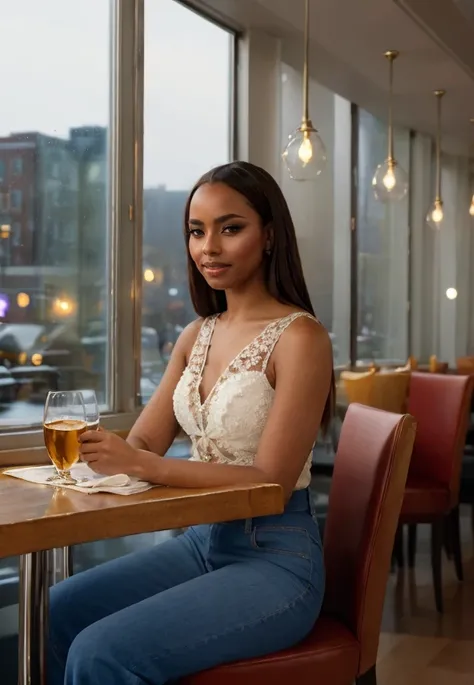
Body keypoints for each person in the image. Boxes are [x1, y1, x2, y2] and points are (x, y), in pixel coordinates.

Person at [48, 161, 334, 685]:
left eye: (230, 228)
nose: (209, 248)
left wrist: (141, 463)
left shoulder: (301, 338)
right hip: (200, 544)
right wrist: (100, 456)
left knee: (99, 652)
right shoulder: (195, 335)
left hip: (274, 558)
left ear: (269, 236)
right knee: (56, 611)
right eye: (196, 232)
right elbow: (142, 441)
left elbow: (269, 482)